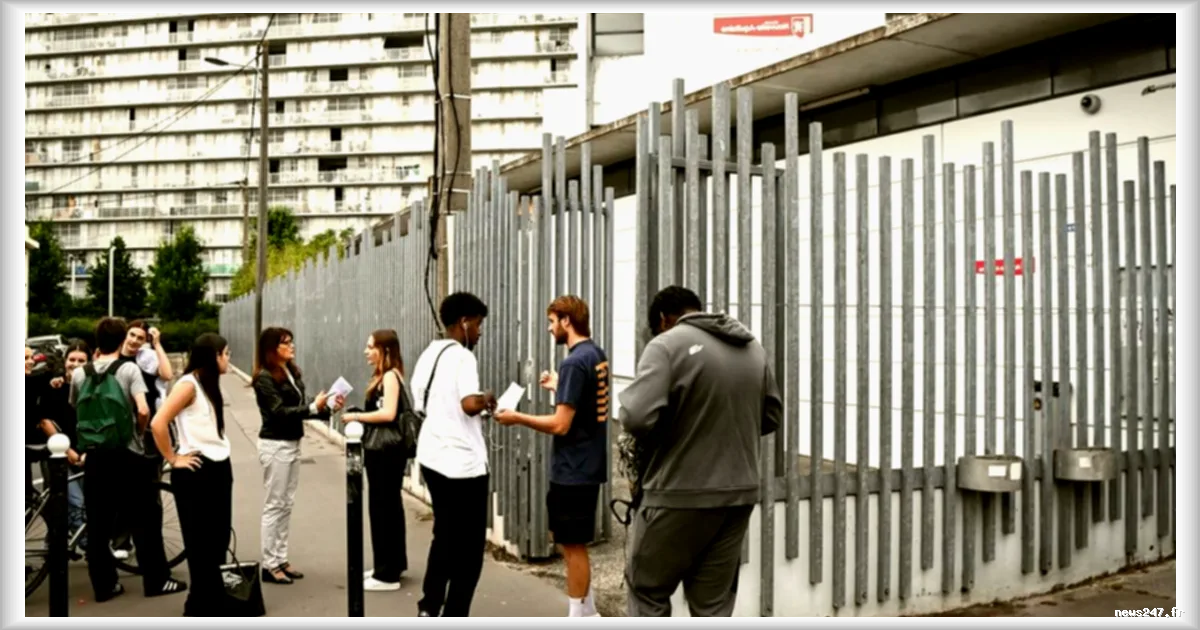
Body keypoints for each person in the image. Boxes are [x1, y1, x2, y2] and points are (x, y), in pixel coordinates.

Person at [617, 286, 782, 618]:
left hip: (678, 493)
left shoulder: (665, 345)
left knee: (647, 591)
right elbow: (771, 417)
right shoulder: (753, 349)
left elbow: (635, 419)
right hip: (738, 496)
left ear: (664, 320)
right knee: (713, 605)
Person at [495, 296, 609, 618]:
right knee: (572, 543)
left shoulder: (573, 362)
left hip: (574, 468)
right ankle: (588, 610)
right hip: (588, 463)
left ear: (566, 322)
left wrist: (517, 417)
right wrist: (561, 387)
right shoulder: (594, 354)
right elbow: (587, 400)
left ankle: (578, 613)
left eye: (551, 321)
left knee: (572, 546)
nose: (549, 328)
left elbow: (561, 424)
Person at [70, 317, 187, 602]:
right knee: (145, 520)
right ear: (122, 339)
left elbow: (75, 406)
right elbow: (144, 410)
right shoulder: (129, 369)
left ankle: (104, 586)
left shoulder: (79, 374)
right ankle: (157, 581)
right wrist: (138, 431)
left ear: (97, 339)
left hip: (95, 457)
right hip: (128, 454)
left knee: (98, 525)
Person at [412, 292, 497, 618]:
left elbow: (421, 403)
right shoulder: (463, 357)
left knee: (444, 535)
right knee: (470, 549)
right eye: (477, 325)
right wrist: (486, 398)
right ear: (463, 323)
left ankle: (429, 606)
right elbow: (467, 404)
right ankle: (456, 612)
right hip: (463, 465)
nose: (479, 332)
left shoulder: (429, 354)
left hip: (432, 457)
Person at [150, 333, 234, 617]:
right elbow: (158, 422)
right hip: (197, 470)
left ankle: (214, 600)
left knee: (219, 540)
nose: (229, 359)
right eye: (226, 353)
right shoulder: (189, 385)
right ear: (215, 356)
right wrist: (173, 458)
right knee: (200, 545)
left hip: (219, 466)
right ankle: (198, 605)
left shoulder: (209, 384)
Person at [252, 327, 341, 585]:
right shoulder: (264, 378)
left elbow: (299, 407)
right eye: (285, 343)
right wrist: (313, 407)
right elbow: (279, 412)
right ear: (271, 348)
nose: (291, 346)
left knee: (286, 503)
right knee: (274, 504)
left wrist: (325, 408)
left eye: (291, 341)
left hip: (291, 442)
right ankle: (270, 564)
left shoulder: (290, 371)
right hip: (275, 444)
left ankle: (280, 558)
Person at [342, 330, 410, 593]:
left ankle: (387, 574)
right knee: (387, 508)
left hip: (386, 453)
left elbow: (389, 413)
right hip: (384, 453)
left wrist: (358, 419)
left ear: (386, 351)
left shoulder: (391, 376)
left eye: (371, 347)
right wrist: (360, 413)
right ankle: (389, 564)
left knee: (383, 509)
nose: (366, 351)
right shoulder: (383, 376)